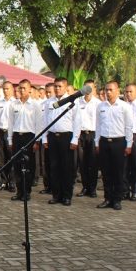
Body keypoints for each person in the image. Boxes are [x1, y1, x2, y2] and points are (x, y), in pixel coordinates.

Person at [95, 81, 133, 211]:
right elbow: (98, 126)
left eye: (111, 90)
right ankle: (107, 198)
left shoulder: (124, 106)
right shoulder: (100, 106)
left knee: (118, 172)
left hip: (119, 142)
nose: (108, 92)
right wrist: (97, 142)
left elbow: (129, 126)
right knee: (106, 172)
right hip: (104, 141)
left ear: (117, 91)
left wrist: (129, 144)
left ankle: (117, 199)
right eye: (106, 90)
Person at [43, 77, 79, 206]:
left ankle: (66, 196)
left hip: (66, 137)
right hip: (52, 136)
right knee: (54, 167)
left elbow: (77, 122)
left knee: (67, 168)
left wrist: (75, 139)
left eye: (60, 86)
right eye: (55, 86)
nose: (57, 89)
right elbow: (45, 121)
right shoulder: (49, 102)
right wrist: (44, 137)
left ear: (65, 87)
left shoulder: (72, 102)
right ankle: (56, 195)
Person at [8, 80, 42, 201]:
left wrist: (37, 141)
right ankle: (19, 191)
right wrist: (10, 140)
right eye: (20, 88)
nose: (22, 90)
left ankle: (27, 191)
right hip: (17, 136)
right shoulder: (13, 104)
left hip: (30, 137)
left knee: (28, 165)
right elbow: (10, 123)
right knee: (17, 165)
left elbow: (39, 124)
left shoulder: (35, 105)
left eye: (24, 88)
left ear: (29, 90)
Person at [75, 79, 100, 198]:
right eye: (86, 88)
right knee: (82, 162)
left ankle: (92, 188)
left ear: (94, 89)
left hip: (93, 134)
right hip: (80, 135)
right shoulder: (78, 103)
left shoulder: (98, 104)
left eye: (90, 88)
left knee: (93, 163)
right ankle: (85, 187)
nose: (88, 90)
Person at [0, 81, 16, 192]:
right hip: (1, 132)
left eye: (8, 89)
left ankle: (12, 182)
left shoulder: (16, 103)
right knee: (1, 158)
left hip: (10, 132)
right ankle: (3, 181)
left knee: (11, 158)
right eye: (4, 89)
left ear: (12, 90)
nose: (6, 91)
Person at [39, 82, 55, 194]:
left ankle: (55, 187)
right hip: (46, 135)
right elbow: (43, 122)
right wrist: (44, 138)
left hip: (57, 135)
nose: (48, 94)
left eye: (50, 92)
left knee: (55, 164)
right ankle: (47, 186)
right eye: (47, 92)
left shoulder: (59, 103)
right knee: (46, 163)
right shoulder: (43, 104)